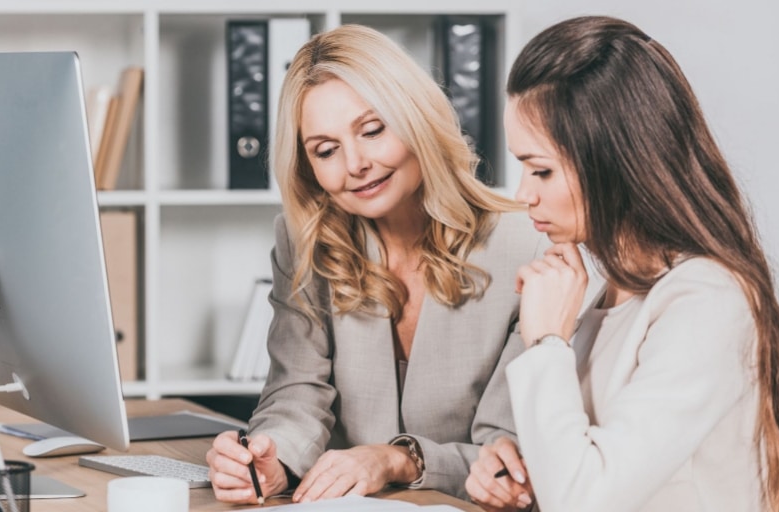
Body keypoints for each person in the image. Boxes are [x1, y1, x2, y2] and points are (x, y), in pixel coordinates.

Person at [465, 15, 779, 512]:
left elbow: (586, 500)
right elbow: (591, 463)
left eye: (541, 170)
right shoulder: (590, 288)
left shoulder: (707, 301)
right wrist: (517, 468)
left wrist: (545, 343)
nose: (524, 195)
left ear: (612, 162)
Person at [205, 24, 544, 504]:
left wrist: (397, 460)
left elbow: (507, 451)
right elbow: (296, 392)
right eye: (326, 150)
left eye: (372, 130)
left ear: (416, 119)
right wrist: (269, 459)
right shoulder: (306, 242)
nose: (356, 163)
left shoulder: (528, 246)